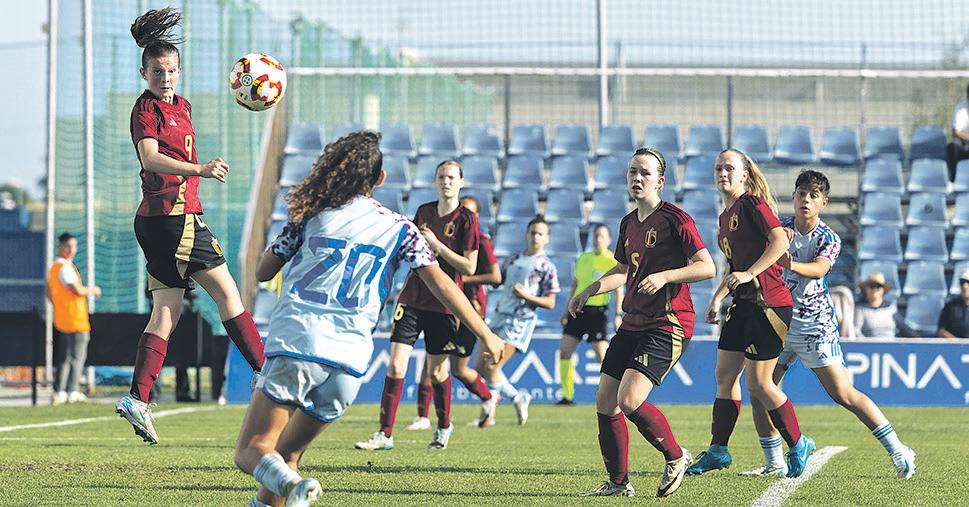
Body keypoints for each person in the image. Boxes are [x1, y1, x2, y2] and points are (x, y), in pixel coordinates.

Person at [233, 131, 504, 507]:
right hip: (349, 364)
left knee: (251, 450)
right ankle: (292, 487)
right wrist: (487, 334)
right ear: (380, 178)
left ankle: (294, 485)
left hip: (299, 343)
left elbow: (264, 271)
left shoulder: (312, 214)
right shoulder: (400, 227)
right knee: (286, 455)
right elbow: (444, 285)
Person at [116, 8, 266, 445]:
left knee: (166, 311)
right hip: (173, 218)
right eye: (157, 71)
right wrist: (200, 169)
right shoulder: (145, 109)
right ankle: (265, 373)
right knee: (228, 295)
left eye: (171, 70)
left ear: (179, 71)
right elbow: (150, 159)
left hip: (162, 221)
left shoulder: (182, 106)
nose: (165, 77)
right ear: (143, 73)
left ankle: (138, 399)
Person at [745, 170, 915, 479]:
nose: (805, 200)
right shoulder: (780, 231)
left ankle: (898, 449)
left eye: (813, 196)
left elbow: (820, 269)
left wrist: (789, 263)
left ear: (824, 202)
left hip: (815, 325)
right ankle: (774, 462)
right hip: (779, 322)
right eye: (801, 194)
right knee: (760, 390)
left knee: (842, 393)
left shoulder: (828, 238)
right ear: (793, 197)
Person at [577, 148, 715, 498]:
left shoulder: (676, 219)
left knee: (629, 399)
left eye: (645, 173)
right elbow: (623, 270)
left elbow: (707, 266)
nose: (637, 178)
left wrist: (666, 276)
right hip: (633, 321)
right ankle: (618, 483)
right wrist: (591, 289)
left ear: (660, 181)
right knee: (605, 401)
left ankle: (676, 456)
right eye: (632, 172)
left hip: (669, 322)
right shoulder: (627, 223)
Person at [687, 148, 815, 479]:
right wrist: (717, 297)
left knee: (759, 384)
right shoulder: (724, 217)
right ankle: (718, 449)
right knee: (724, 377)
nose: (723, 173)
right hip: (742, 304)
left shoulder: (753, 205)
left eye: (730, 168)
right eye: (719, 168)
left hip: (769, 304)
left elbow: (779, 242)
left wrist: (749, 274)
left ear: (744, 174)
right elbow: (735, 267)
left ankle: (798, 442)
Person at [355, 160, 481, 451]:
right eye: (441, 177)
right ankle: (385, 434)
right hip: (412, 298)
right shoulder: (424, 212)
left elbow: (470, 267)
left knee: (436, 372)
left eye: (451, 177)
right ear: (435, 180)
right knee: (396, 364)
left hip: (444, 304)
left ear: (461, 182)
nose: (446, 181)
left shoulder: (467, 219)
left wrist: (439, 247)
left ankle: (444, 425)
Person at [407, 195, 502, 431]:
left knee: (458, 369)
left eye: (469, 211)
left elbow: (495, 276)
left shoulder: (481, 241)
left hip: (469, 309)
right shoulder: (444, 235)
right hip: (441, 304)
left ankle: (489, 396)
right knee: (431, 361)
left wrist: (462, 280)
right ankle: (423, 416)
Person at [474, 214, 560, 426]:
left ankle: (489, 414)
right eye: (533, 232)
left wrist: (526, 296)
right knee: (479, 368)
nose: (535, 237)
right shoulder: (513, 259)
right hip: (499, 315)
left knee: (492, 367)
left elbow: (550, 302)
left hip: (519, 321)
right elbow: (497, 280)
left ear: (547, 238)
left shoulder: (546, 267)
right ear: (527, 234)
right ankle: (517, 397)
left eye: (540, 234)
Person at [556, 223, 624, 406]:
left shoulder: (612, 261)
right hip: (578, 310)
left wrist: (618, 315)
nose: (598, 239)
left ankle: (612, 395)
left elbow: (618, 290)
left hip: (598, 312)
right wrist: (567, 311)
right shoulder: (583, 258)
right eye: (596, 235)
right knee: (565, 351)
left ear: (609, 240)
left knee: (601, 355)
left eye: (602, 236)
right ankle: (567, 396)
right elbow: (576, 285)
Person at [47, 232, 102, 405]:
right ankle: (72, 390)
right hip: (75, 320)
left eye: (74, 246)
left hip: (62, 320)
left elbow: (49, 293)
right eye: (68, 246)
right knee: (77, 357)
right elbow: (77, 290)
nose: (72, 250)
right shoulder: (65, 267)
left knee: (64, 358)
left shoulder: (53, 268)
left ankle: (60, 391)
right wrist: (93, 290)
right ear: (60, 246)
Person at [854, 273, 900, 338]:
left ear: (883, 290)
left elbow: (904, 328)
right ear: (865, 289)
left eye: (878, 286)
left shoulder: (891, 308)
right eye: (871, 286)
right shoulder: (860, 309)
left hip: (891, 343)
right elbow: (856, 331)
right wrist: (865, 343)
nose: (874, 289)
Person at [938, 267, 969, 339]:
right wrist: (957, 343)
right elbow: (941, 330)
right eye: (962, 282)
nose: (965, 286)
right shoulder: (950, 306)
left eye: (968, 282)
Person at [947, 82, 969, 181]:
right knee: (953, 147)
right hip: (963, 140)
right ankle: (954, 179)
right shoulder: (961, 108)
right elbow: (956, 131)